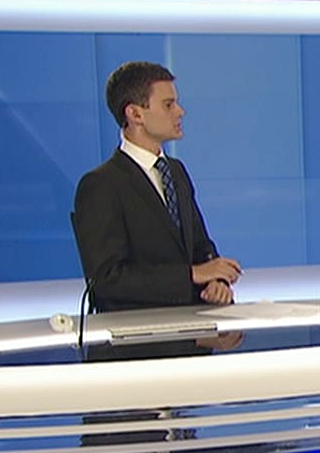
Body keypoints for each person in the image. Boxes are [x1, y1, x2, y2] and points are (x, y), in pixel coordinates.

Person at [73, 61, 241, 312]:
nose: (180, 112)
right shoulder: (101, 185)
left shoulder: (176, 171)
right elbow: (107, 278)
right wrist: (192, 275)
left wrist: (216, 281)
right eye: (168, 105)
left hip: (194, 323)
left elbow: (200, 246)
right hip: (137, 330)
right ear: (135, 114)